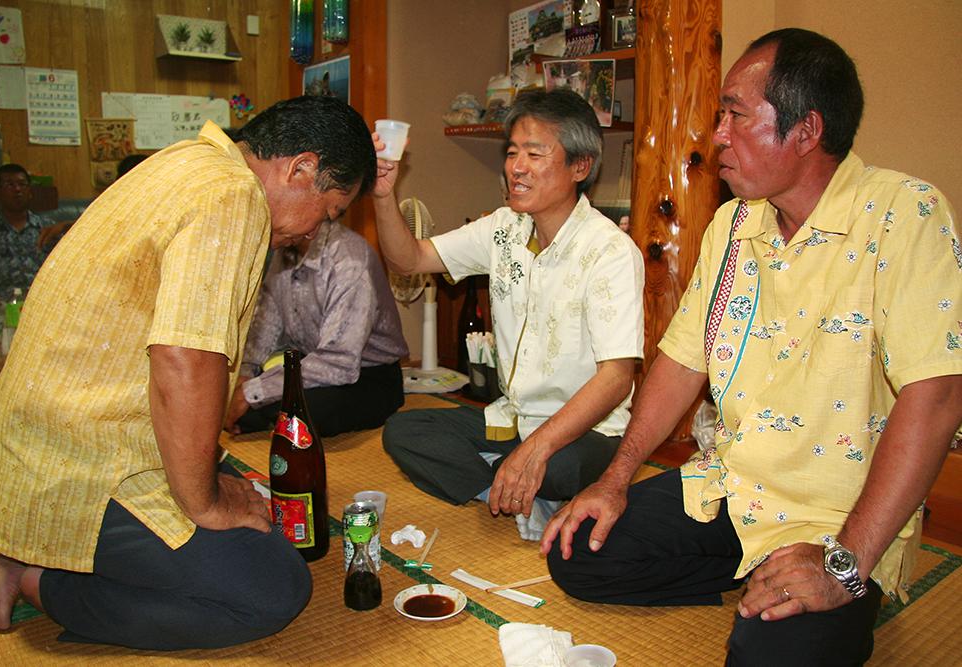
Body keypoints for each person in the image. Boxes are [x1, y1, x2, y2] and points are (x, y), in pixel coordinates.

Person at [542, 28, 962, 666]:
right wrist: (616, 478)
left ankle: (840, 593)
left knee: (770, 657)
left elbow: (938, 397)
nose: (717, 134)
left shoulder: (906, 213)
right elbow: (682, 361)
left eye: (735, 114)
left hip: (839, 519)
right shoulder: (734, 223)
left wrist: (843, 565)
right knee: (577, 550)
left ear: (806, 130)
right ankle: (753, 578)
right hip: (732, 488)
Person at [0, 95, 376, 650]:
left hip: (39, 446)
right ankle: (44, 579)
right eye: (327, 212)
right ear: (300, 169)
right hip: (85, 466)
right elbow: (187, 358)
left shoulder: (184, 160)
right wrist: (208, 504)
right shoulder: (235, 197)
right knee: (273, 587)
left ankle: (32, 545)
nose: (312, 233)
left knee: (253, 494)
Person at [372, 88, 645, 540]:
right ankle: (512, 491)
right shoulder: (504, 228)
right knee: (405, 429)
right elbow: (411, 260)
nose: (516, 167)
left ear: (581, 167)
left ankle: (519, 479)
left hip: (584, 434)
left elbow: (617, 376)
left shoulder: (610, 251)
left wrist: (537, 448)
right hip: (512, 419)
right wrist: (384, 195)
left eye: (535, 154)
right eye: (513, 152)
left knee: (561, 468)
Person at [224, 218, 408, 437]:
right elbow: (264, 328)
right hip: (311, 366)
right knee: (233, 401)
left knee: (306, 413)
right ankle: (273, 419)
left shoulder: (349, 259)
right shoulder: (285, 249)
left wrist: (252, 393)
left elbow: (339, 362)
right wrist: (245, 378)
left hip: (367, 376)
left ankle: (278, 421)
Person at [0, 164, 61, 314]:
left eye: (22, 184)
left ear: (30, 191)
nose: (17, 189)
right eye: (10, 185)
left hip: (40, 303)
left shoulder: (48, 228)